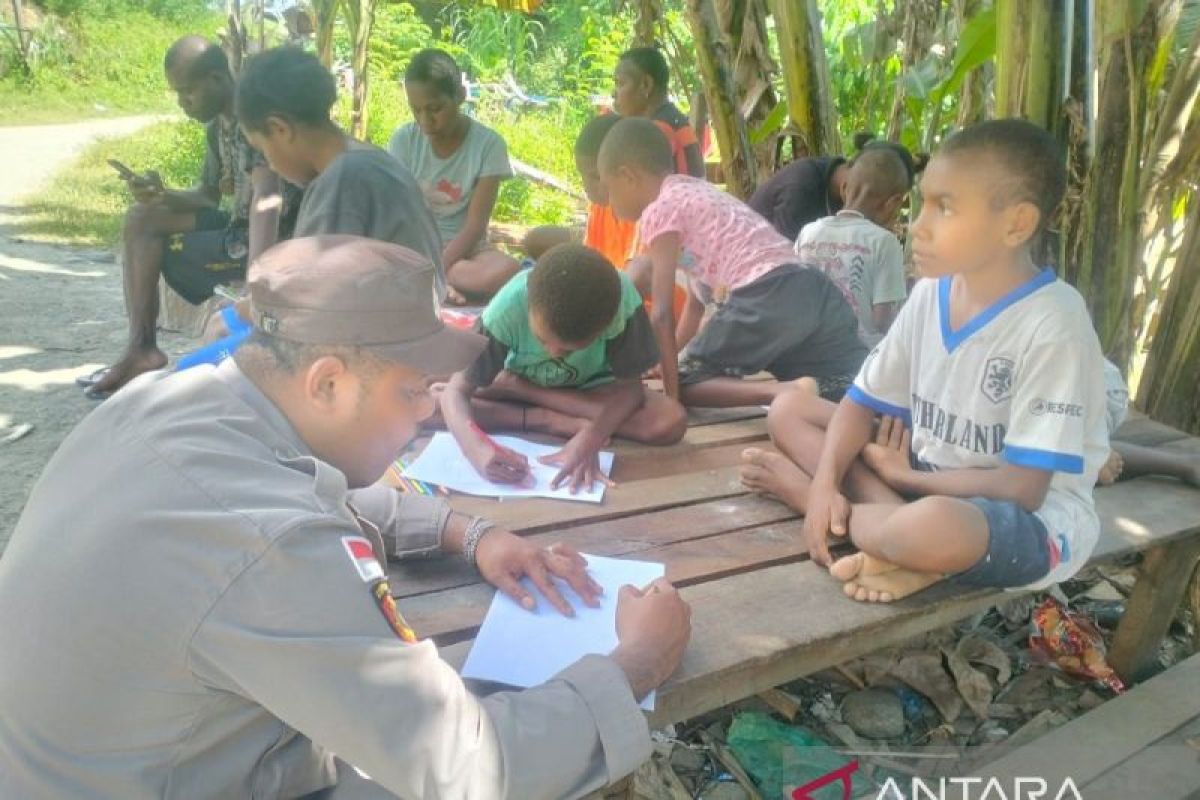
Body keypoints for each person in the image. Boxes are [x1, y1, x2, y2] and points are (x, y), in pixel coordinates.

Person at [0, 235, 691, 799]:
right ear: (327, 383)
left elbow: (295, 495)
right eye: (413, 391)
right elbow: (470, 766)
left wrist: (467, 532)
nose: (428, 411)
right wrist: (634, 664)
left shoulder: (169, 402)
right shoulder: (271, 547)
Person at [740, 119, 1109, 604]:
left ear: (1015, 224)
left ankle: (814, 504)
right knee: (790, 409)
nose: (918, 226)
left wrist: (888, 479)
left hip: (1020, 519)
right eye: (922, 204)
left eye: (945, 208)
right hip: (923, 472)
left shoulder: (1054, 323)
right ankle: (896, 546)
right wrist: (829, 476)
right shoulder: (932, 293)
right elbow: (857, 404)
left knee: (935, 528)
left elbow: (1023, 489)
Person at [599, 118, 867, 408]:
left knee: (686, 384)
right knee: (840, 383)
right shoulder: (695, 193)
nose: (610, 203)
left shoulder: (659, 210)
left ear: (627, 176)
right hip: (813, 291)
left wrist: (672, 400)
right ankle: (803, 389)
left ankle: (781, 392)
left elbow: (661, 313)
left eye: (609, 190)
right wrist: (674, 358)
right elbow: (695, 305)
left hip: (766, 295)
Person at [83, 36, 292, 398]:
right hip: (235, 226)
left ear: (215, 79)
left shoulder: (252, 117)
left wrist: (260, 278)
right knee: (142, 217)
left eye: (187, 93)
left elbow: (267, 198)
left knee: (153, 224)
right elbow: (208, 196)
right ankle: (142, 347)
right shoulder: (218, 128)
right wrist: (161, 195)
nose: (183, 104)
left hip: (267, 237)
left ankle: (145, 348)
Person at [440, 244, 688, 492]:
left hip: (584, 389)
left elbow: (630, 391)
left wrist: (591, 437)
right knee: (434, 403)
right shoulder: (505, 310)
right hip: (524, 378)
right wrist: (477, 451)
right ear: (529, 307)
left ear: (605, 327)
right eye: (542, 339)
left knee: (669, 421)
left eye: (570, 350)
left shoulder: (622, 306)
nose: (554, 354)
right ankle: (547, 418)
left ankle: (522, 393)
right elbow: (457, 391)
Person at [235, 47, 444, 297]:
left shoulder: (342, 180)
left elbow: (311, 297)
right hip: (415, 317)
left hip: (390, 329)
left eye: (263, 150)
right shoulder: (370, 158)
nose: (271, 166)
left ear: (280, 129)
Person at [390, 48, 521, 303]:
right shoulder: (404, 140)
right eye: (415, 110)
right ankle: (439, 280)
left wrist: (437, 268)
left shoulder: (489, 145)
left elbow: (475, 228)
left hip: (466, 250)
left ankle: (434, 279)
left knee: (509, 271)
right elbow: (398, 214)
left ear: (460, 96)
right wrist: (423, 259)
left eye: (434, 108)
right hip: (415, 245)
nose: (425, 120)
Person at [795, 145, 916, 346]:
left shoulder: (808, 232)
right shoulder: (885, 243)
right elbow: (882, 321)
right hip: (860, 362)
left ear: (843, 188)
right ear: (893, 202)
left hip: (808, 352)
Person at [612, 46, 705, 179]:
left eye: (620, 84)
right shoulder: (675, 121)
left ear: (646, 84)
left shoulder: (657, 131)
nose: (613, 94)